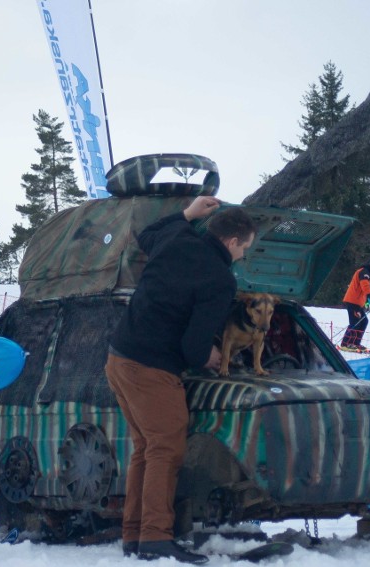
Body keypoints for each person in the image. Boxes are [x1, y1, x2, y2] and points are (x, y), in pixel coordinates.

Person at [105, 197, 256, 564]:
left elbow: (147, 235)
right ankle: (156, 538)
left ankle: (135, 534)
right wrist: (211, 355)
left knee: (146, 447)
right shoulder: (220, 279)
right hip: (152, 368)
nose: (244, 255)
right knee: (166, 448)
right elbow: (192, 347)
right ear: (234, 241)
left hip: (119, 358)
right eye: (246, 248)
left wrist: (187, 214)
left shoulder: (179, 237)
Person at [339, 256, 370, 353]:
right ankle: (346, 344)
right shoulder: (364, 272)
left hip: (357, 303)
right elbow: (365, 288)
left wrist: (367, 302)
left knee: (363, 321)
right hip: (352, 301)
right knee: (355, 322)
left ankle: (355, 343)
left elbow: (364, 291)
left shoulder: (367, 272)